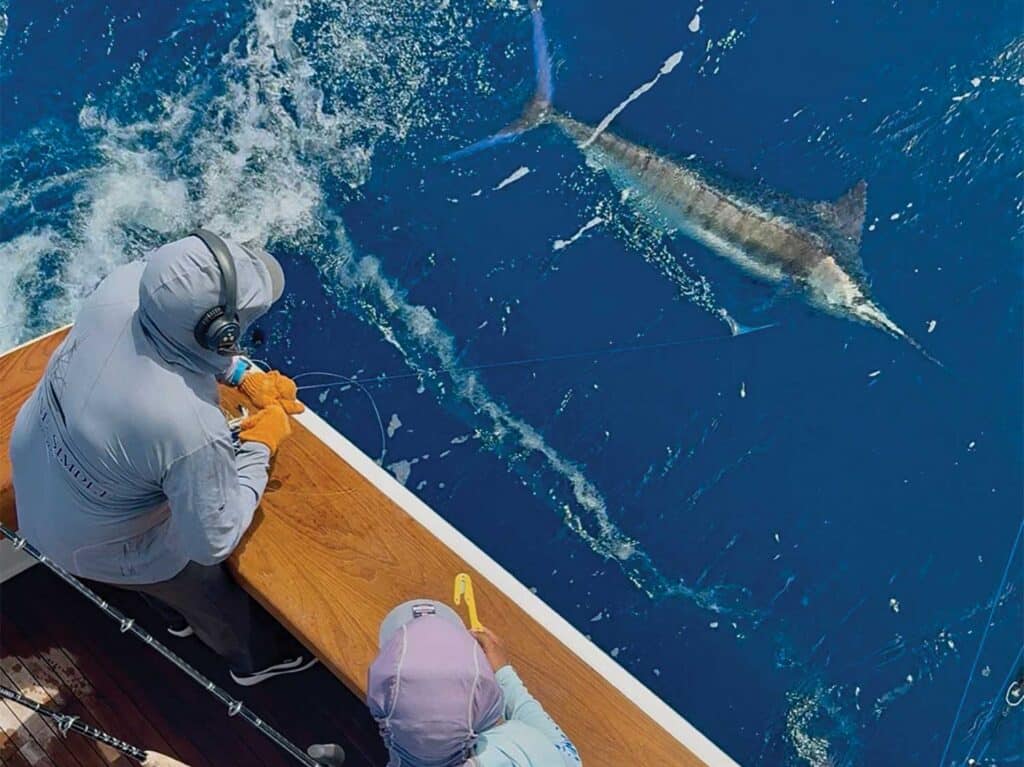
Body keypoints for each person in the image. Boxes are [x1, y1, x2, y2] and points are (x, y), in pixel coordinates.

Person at [9, 230, 315, 686]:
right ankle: (254, 662)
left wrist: (241, 374)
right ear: (222, 330)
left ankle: (172, 614)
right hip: (86, 543)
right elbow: (213, 539)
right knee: (199, 581)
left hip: (34, 476)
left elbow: (168, 338)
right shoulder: (188, 425)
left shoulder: (123, 287)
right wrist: (260, 445)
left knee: (145, 545)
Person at [361, 598, 582, 766]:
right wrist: (503, 673)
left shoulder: (400, 741)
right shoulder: (519, 746)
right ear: (488, 712)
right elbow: (568, 756)